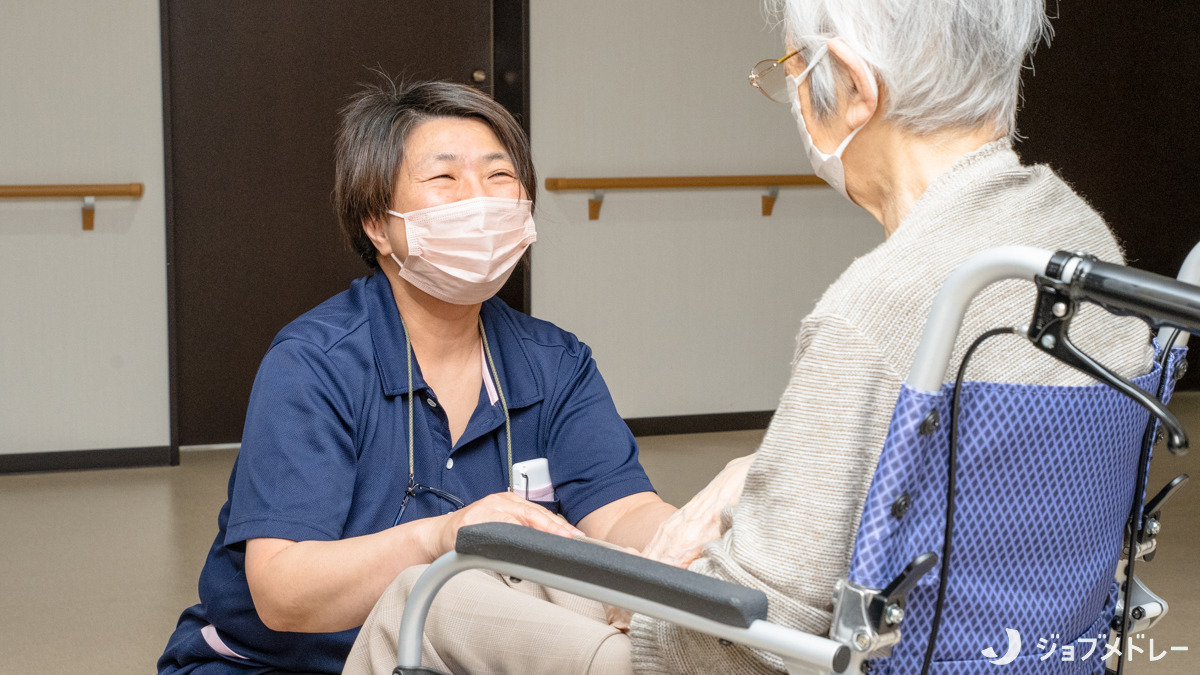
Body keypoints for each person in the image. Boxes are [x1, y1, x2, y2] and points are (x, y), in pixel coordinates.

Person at [343, 1, 1153, 673]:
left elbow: (740, 636)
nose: (793, 93)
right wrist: (752, 476)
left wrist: (651, 611)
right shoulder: (1083, 246)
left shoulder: (878, 310)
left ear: (854, 88)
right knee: (536, 579)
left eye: (794, 68)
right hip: (1012, 646)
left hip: (773, 657)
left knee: (427, 597)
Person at [157, 79, 676, 674]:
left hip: (453, 655)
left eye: (499, 175)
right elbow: (283, 592)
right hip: (281, 664)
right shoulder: (316, 363)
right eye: (444, 177)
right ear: (378, 224)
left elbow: (622, 513)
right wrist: (442, 537)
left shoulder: (555, 362)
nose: (479, 200)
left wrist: (701, 530)